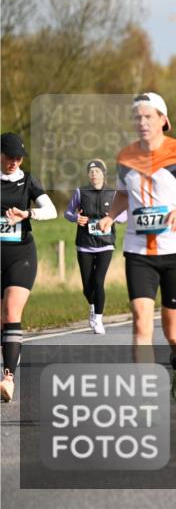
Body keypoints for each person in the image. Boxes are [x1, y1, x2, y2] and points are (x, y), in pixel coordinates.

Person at [98, 93, 176, 402]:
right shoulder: (126, 158)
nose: (142, 122)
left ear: (163, 120)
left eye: (148, 116)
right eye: (137, 117)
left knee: (173, 332)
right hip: (139, 250)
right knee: (140, 321)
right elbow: (123, 195)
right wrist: (110, 217)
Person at [1, 132, 57, 402]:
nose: (14, 162)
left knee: (11, 311)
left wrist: (28, 213)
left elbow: (51, 210)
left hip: (21, 254)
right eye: (9, 157)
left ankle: (8, 378)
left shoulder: (28, 181)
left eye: (18, 158)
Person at [63, 159, 125, 335]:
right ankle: (92, 306)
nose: (94, 174)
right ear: (88, 175)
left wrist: (112, 218)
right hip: (85, 245)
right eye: (91, 172)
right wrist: (76, 218)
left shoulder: (113, 193)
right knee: (87, 286)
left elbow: (124, 215)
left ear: (103, 174)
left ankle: (98, 318)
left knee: (98, 282)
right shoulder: (80, 192)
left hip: (105, 245)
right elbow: (67, 212)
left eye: (97, 171)